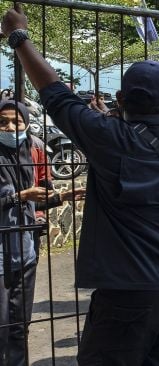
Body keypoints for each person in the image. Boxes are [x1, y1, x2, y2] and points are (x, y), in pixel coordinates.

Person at [2, 7, 159, 365]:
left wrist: (19, 37)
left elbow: (54, 94)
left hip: (127, 291)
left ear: (120, 99)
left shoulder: (109, 138)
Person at [0, 100, 82, 365]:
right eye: (3, 122)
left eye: (16, 122)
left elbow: (35, 198)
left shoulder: (31, 151)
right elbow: (21, 197)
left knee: (19, 324)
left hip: (25, 249)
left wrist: (61, 195)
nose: (10, 127)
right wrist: (21, 195)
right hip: (2, 252)